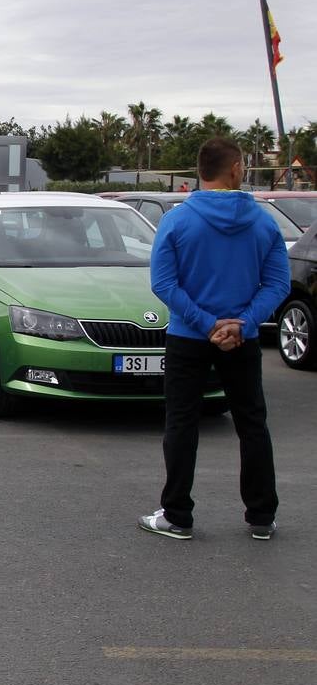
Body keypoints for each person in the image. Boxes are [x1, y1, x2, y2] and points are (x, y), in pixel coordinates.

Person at [139, 137, 288, 542]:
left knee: (182, 422)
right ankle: (261, 516)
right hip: (244, 338)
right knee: (252, 423)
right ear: (237, 168)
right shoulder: (263, 222)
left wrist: (207, 325)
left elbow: (163, 283)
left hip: (189, 336)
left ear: (200, 171)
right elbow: (277, 283)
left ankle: (177, 516)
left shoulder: (176, 220)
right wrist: (241, 323)